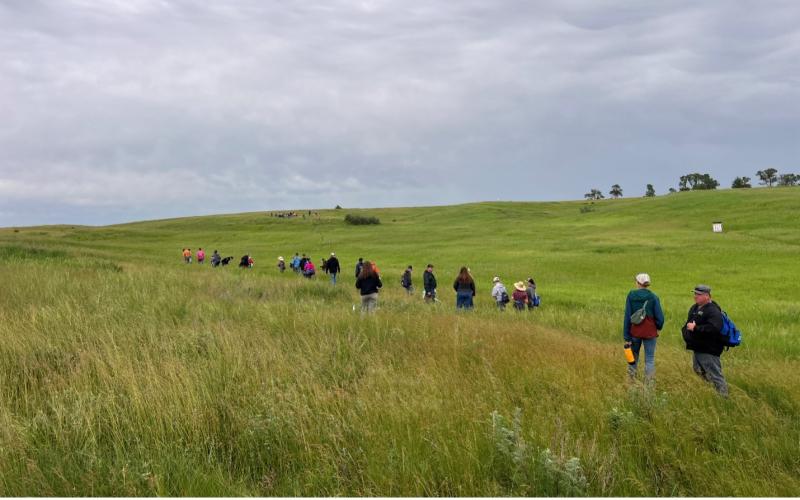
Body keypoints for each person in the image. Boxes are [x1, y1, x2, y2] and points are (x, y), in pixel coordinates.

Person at [682, 284, 729, 397]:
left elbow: (715, 328)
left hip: (709, 348)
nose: (695, 296)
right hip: (697, 347)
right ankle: (712, 392)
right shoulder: (694, 308)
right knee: (698, 370)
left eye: (698, 294)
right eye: (695, 294)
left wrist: (696, 328)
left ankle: (724, 397)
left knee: (715, 374)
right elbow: (688, 323)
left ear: (707, 296)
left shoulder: (713, 310)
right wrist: (686, 331)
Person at [623, 273, 665, 382]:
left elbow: (627, 316)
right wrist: (658, 327)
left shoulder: (631, 295)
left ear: (638, 283)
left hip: (634, 332)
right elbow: (660, 317)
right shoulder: (653, 297)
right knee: (649, 359)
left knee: (633, 358)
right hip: (650, 332)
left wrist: (627, 336)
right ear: (647, 284)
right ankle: (649, 385)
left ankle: (631, 382)